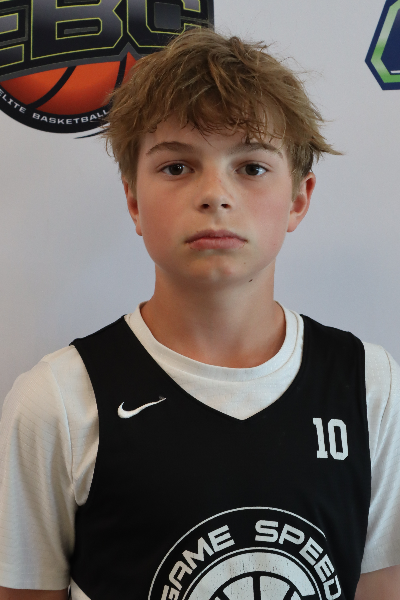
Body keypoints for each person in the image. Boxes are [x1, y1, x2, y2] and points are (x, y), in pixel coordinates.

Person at [0, 28, 399, 600]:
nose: (215, 194)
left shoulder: (368, 384)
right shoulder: (58, 402)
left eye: (251, 167)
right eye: (177, 167)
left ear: (299, 198)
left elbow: (381, 585)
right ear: (133, 200)